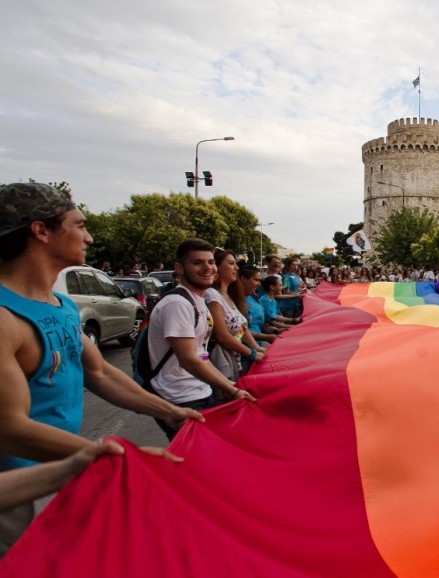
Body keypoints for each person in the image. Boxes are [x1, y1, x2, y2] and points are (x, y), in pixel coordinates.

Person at [0, 182, 203, 555]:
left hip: (66, 473)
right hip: (21, 490)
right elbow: (10, 429)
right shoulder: (4, 317)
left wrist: (171, 411)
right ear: (40, 231)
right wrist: (111, 454)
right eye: (78, 225)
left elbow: (101, 373)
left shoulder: (59, 303)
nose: (89, 237)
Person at [146, 239, 256, 439]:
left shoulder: (198, 299)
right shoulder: (177, 304)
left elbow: (201, 354)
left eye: (211, 262)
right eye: (197, 263)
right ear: (180, 268)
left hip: (200, 391)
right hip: (180, 398)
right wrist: (229, 388)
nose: (208, 268)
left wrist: (227, 384)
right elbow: (189, 359)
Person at [205, 249, 266, 381]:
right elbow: (222, 336)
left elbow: (241, 328)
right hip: (221, 363)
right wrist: (252, 353)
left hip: (234, 360)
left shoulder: (229, 296)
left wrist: (257, 347)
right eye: (232, 263)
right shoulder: (212, 295)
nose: (237, 268)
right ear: (217, 267)